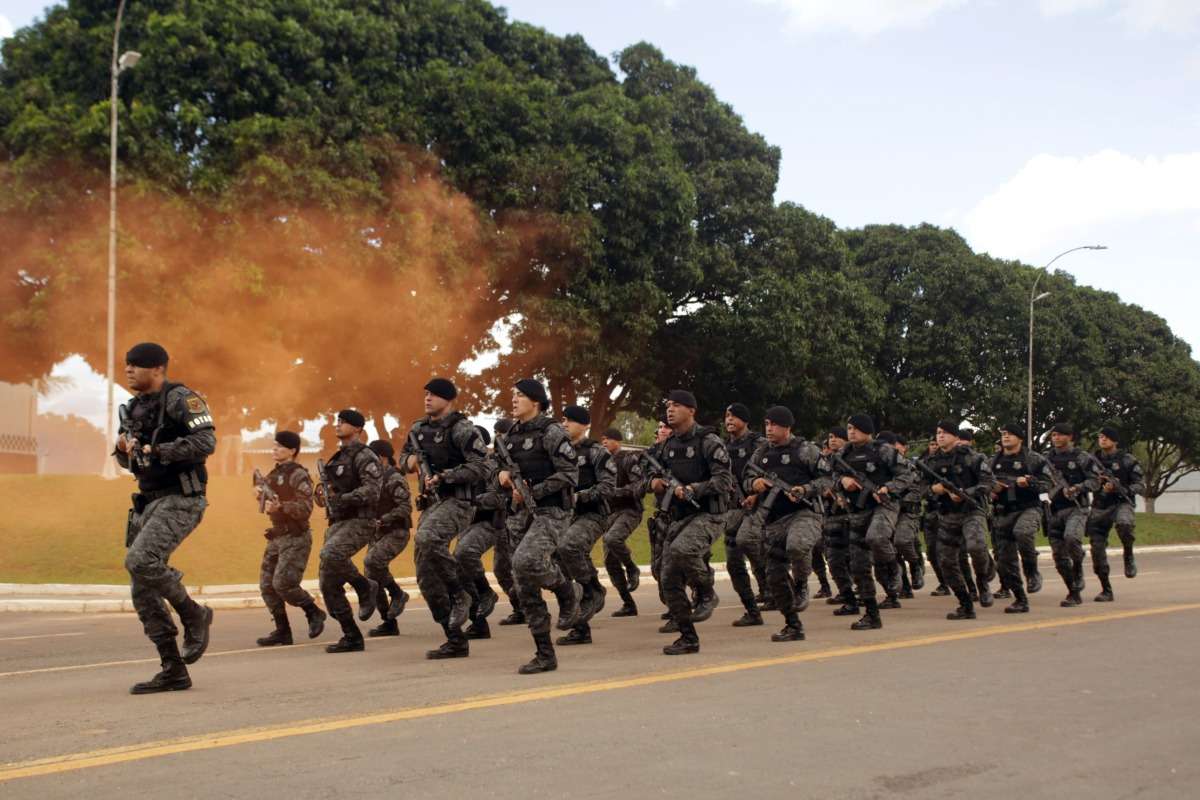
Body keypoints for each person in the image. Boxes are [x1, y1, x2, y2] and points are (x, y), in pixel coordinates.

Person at [115, 342, 215, 694]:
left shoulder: (180, 398)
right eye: (126, 364)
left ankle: (193, 613)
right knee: (142, 590)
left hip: (182, 498)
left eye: (136, 364)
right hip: (148, 502)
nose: (128, 370)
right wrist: (123, 451)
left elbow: (206, 441)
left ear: (157, 368)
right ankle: (173, 669)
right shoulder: (131, 409)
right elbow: (131, 464)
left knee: (140, 560)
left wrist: (160, 450)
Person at [401, 378, 490, 659]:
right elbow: (403, 459)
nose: (427, 398)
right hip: (431, 505)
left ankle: (461, 591)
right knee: (426, 578)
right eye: (426, 393)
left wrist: (446, 476)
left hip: (458, 501)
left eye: (434, 395)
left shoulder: (462, 429)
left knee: (427, 538)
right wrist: (412, 462)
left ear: (449, 400)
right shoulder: (418, 429)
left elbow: (482, 466)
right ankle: (455, 639)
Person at [500, 379, 581, 674]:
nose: (514, 400)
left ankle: (565, 589)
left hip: (552, 510)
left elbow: (570, 474)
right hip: (522, 513)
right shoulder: (510, 434)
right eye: (513, 395)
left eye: (520, 395)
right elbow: (501, 464)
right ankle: (545, 654)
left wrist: (534, 490)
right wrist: (504, 474)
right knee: (523, 581)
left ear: (536, 401)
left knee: (526, 560)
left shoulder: (551, 432)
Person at [649, 390, 733, 655]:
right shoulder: (665, 446)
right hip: (680, 517)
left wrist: (695, 488)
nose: (670, 410)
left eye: (676, 406)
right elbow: (647, 474)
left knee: (682, 549)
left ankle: (706, 591)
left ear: (691, 411)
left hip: (709, 514)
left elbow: (724, 481)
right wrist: (655, 483)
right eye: (668, 406)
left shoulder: (708, 441)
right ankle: (688, 637)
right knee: (668, 577)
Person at [741, 406, 831, 642]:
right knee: (775, 576)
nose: (769, 429)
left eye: (774, 425)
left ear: (787, 427)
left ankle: (802, 583)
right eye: (767, 424)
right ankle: (792, 625)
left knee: (797, 546)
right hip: (774, 520)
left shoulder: (805, 450)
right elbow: (746, 477)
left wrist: (805, 489)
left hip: (806, 513)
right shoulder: (760, 454)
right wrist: (755, 483)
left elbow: (827, 479)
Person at [831, 414, 912, 630]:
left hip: (883, 505)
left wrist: (888, 488)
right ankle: (871, 614)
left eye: (856, 428)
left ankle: (894, 568)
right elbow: (828, 475)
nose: (852, 432)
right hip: (858, 509)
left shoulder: (883, 450)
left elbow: (907, 475)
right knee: (859, 566)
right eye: (849, 428)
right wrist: (842, 481)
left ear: (867, 430)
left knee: (876, 537)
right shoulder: (842, 454)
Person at [314, 409, 382, 653]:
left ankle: (365, 586)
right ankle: (351, 635)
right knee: (327, 582)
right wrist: (323, 495)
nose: (338, 425)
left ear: (358, 429)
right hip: (338, 523)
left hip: (360, 520)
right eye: (338, 421)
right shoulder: (336, 458)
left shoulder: (366, 456)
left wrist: (343, 499)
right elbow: (329, 494)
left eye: (344, 422)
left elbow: (373, 491)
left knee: (330, 555)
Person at [255, 430, 326, 646]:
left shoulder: (298, 474)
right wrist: (259, 493)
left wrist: (281, 506)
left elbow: (306, 508)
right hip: (277, 536)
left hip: (296, 536)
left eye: (280, 446)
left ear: (292, 450)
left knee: (284, 584)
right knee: (267, 585)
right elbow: (265, 496)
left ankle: (313, 612)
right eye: (274, 445)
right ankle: (282, 630)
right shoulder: (274, 474)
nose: (274, 449)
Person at [556, 405, 617, 646]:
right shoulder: (559, 453)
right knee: (561, 565)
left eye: (570, 421)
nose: (564, 424)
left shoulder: (596, 452)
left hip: (593, 514)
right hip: (566, 516)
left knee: (569, 545)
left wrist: (580, 496)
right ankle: (580, 628)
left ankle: (592, 589)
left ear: (584, 425)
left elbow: (608, 486)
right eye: (563, 420)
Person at [923, 420, 996, 620]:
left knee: (976, 546)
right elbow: (918, 488)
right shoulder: (931, 461)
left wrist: (966, 493)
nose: (940, 436)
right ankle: (965, 603)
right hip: (947, 515)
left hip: (972, 511)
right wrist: (933, 490)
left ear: (956, 436)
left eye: (945, 433)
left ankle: (982, 581)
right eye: (938, 433)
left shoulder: (973, 457)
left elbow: (988, 482)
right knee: (946, 561)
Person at [989, 423, 1051, 613]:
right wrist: (991, 490)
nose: (1005, 437)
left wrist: (1030, 482)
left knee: (1023, 533)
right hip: (1003, 512)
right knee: (1005, 560)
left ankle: (1032, 572)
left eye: (1010, 434)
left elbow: (1048, 484)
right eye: (1003, 434)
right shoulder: (993, 461)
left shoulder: (1033, 459)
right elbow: (982, 483)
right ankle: (1020, 599)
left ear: (1020, 438)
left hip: (1029, 508)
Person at [722, 403, 769, 626]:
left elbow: (773, 474)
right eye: (726, 416)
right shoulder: (722, 447)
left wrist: (756, 496)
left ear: (745, 420)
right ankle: (752, 610)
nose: (729, 420)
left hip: (758, 506)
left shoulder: (759, 444)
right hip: (733, 509)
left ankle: (772, 587)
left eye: (733, 416)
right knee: (733, 562)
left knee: (752, 546)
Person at [1045, 423, 1102, 607]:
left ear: (1070, 437)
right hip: (1054, 510)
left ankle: (1078, 567)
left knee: (1071, 538)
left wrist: (1078, 488)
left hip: (1077, 508)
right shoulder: (1046, 459)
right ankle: (1073, 592)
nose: (1056, 438)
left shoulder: (1081, 457)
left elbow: (1095, 481)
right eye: (1053, 435)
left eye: (1060, 435)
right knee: (1059, 557)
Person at [1085, 426, 1144, 601]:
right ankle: (1106, 589)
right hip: (1100, 506)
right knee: (1096, 548)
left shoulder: (1127, 460)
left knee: (1125, 525)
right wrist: (1097, 482)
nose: (1102, 440)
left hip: (1121, 503)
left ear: (1115, 441)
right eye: (1100, 437)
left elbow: (1140, 485)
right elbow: (1084, 480)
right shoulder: (1091, 461)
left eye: (1106, 437)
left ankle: (1128, 554)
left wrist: (1121, 488)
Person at [363, 440, 413, 638]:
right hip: (377, 533)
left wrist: (383, 520)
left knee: (373, 561)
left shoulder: (394, 478)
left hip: (396, 532)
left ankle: (398, 593)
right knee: (371, 576)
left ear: (382, 457)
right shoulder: (373, 478)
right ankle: (388, 622)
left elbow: (405, 508)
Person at [600, 427, 646, 617]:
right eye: (602, 439)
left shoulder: (628, 459)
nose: (604, 442)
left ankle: (632, 567)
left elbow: (639, 485)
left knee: (612, 539)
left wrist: (617, 492)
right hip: (610, 513)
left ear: (617, 441)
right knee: (609, 562)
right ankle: (628, 603)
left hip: (630, 510)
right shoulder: (603, 463)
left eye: (607, 439)